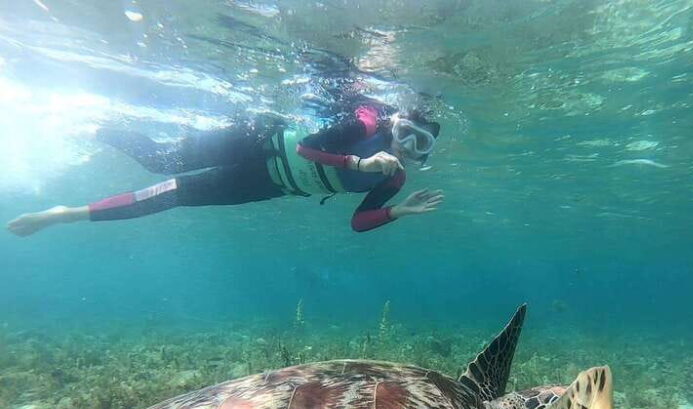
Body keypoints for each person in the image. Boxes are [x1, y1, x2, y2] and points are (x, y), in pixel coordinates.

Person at [6, 105, 444, 236]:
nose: (405, 146)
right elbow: (307, 147)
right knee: (159, 159)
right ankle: (94, 124)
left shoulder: (395, 179)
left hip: (266, 182)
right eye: (405, 133)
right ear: (394, 124)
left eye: (419, 144)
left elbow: (358, 222)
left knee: (173, 196)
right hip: (254, 142)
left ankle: (65, 214)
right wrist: (359, 162)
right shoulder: (365, 124)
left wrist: (398, 210)